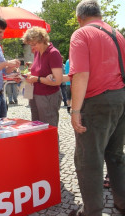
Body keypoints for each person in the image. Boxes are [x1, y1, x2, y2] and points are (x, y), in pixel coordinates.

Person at [66, 0, 125, 215]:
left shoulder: (81, 34)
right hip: (120, 99)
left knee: (88, 159)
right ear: (99, 15)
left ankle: (91, 211)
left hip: (97, 102)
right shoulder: (117, 34)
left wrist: (75, 111)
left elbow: (81, 74)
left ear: (79, 18)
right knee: (116, 154)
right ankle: (122, 202)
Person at [22, 26, 63, 127]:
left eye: (33, 44)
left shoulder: (53, 53)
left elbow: (58, 80)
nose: (32, 48)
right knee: (37, 128)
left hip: (48, 96)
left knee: (48, 129)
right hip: (35, 95)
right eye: (30, 45)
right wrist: (29, 75)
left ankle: (53, 143)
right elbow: (38, 71)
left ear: (42, 40)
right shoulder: (38, 52)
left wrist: (37, 79)